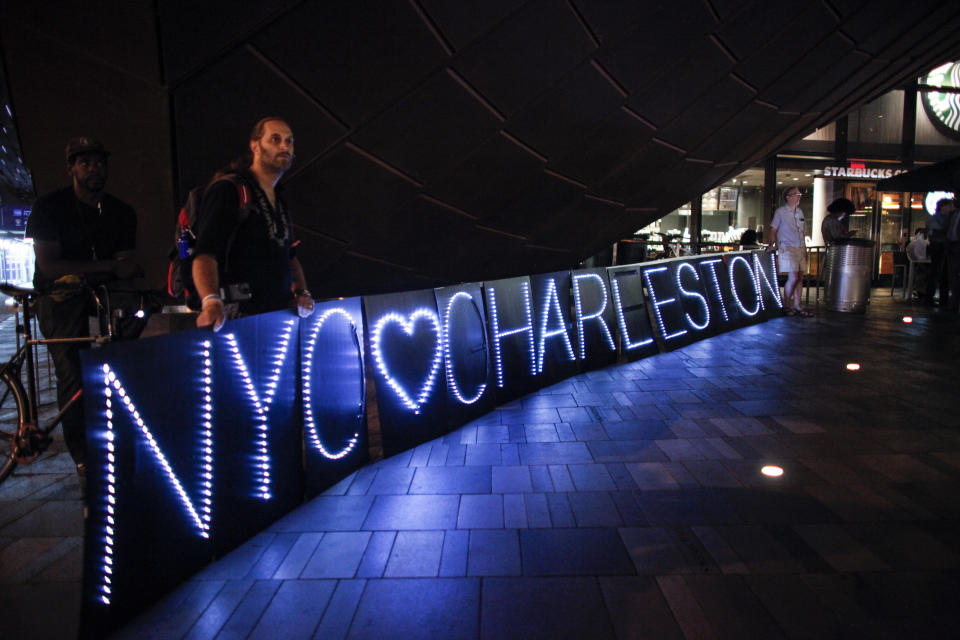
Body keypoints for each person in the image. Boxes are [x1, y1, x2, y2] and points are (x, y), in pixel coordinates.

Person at [24, 137, 141, 489]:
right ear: (72, 168)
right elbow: (48, 266)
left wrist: (111, 272)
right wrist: (105, 266)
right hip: (58, 297)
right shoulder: (50, 208)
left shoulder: (120, 211)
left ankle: (119, 442)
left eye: (99, 163)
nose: (94, 169)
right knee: (73, 373)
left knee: (120, 360)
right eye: (85, 163)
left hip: (100, 294)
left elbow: (126, 265)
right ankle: (82, 457)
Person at [193, 117, 315, 330]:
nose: (284, 146)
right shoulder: (229, 189)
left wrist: (302, 292)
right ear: (255, 146)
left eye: (290, 141)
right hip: (237, 316)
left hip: (277, 315)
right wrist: (210, 301)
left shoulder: (279, 197)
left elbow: (289, 254)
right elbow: (205, 253)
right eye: (275, 139)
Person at [769, 187, 811, 316]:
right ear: (788, 197)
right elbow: (773, 229)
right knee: (793, 277)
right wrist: (771, 243)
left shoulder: (799, 212)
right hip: (787, 247)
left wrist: (804, 247)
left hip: (800, 247)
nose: (799, 196)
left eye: (799, 194)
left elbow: (803, 231)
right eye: (796, 194)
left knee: (800, 278)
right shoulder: (781, 212)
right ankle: (787, 304)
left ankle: (798, 305)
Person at [926, 198, 955, 307]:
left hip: (941, 248)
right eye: (949, 206)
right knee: (938, 273)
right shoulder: (937, 219)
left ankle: (939, 299)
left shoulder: (938, 218)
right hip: (939, 248)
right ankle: (934, 298)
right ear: (943, 207)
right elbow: (936, 229)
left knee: (941, 274)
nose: (951, 208)